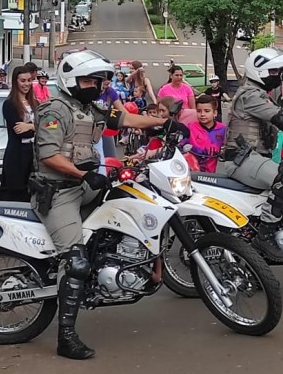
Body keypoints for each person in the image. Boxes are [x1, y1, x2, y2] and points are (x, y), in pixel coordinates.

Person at [30, 50, 174, 360]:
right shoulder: (53, 110)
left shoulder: (89, 109)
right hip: (59, 191)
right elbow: (49, 156)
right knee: (77, 262)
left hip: (85, 184)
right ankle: (65, 338)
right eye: (90, 81)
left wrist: (163, 123)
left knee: (133, 205)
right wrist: (85, 174)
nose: (97, 86)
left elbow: (123, 118)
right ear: (70, 80)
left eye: (99, 81)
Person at [216, 47, 283, 261]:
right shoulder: (250, 95)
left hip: (255, 158)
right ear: (258, 71)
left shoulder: (260, 94)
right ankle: (266, 235)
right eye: (273, 72)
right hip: (242, 159)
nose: (277, 76)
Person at [0, 66, 38, 201]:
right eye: (23, 81)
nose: (26, 84)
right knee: (17, 197)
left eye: (29, 80)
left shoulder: (35, 103)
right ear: (15, 82)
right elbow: (21, 133)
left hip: (34, 156)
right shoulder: (9, 105)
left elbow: (49, 127)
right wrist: (35, 128)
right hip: (17, 158)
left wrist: (30, 126)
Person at [186, 95, 226, 172]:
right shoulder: (190, 128)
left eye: (207, 111)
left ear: (215, 113)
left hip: (211, 175)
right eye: (199, 111)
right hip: (193, 174)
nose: (202, 114)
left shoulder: (223, 129)